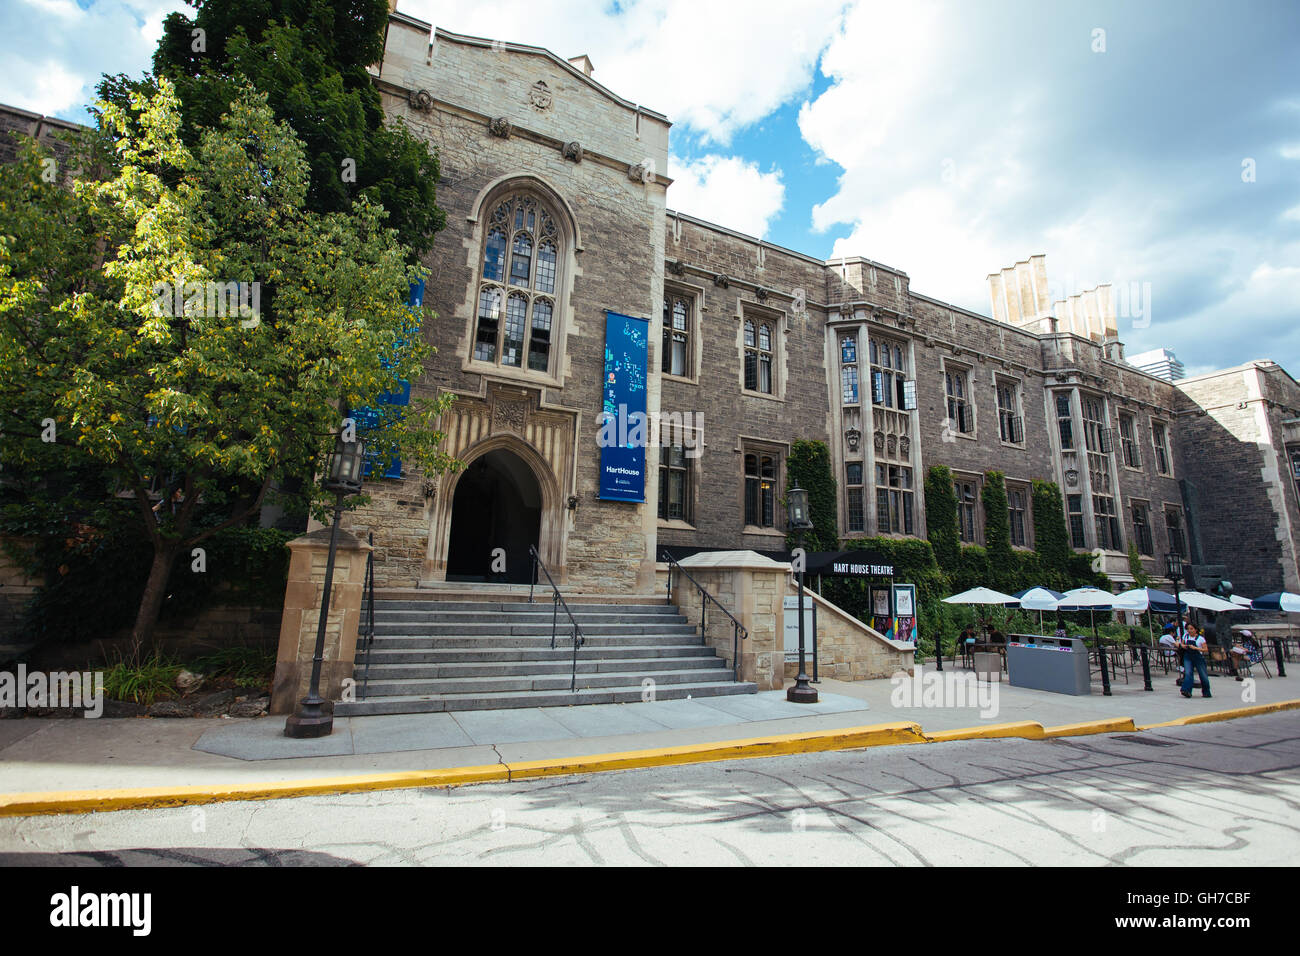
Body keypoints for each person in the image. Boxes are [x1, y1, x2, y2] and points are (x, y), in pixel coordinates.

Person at [1178, 622, 1211, 698]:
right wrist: (1184, 646)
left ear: (1196, 630)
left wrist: (1195, 648)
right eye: (1188, 629)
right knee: (1188, 673)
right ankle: (1186, 690)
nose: (1189, 630)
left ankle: (1206, 692)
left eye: (1191, 629)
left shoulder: (1200, 639)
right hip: (1188, 656)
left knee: (1203, 675)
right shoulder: (1185, 636)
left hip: (1198, 657)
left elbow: (1205, 649)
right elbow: (1182, 644)